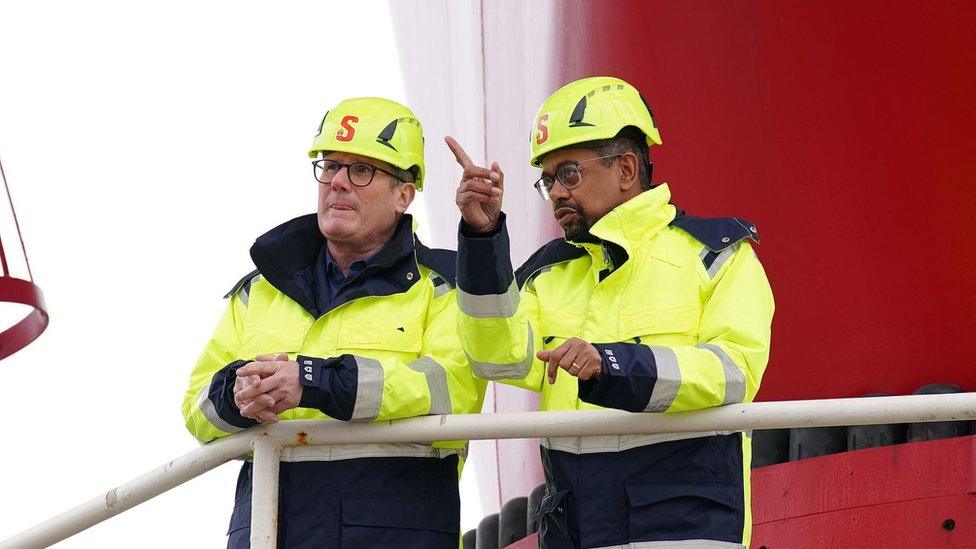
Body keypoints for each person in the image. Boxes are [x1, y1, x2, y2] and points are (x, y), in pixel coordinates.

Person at [449, 76, 774, 548]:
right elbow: (496, 357)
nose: (556, 192)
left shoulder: (717, 255)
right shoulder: (545, 273)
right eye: (546, 180)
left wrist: (613, 363)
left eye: (569, 173)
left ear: (625, 169)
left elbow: (734, 371)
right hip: (575, 530)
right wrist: (482, 241)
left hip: (684, 529)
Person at [182, 97, 486, 548]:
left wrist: (314, 381)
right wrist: (236, 395)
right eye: (330, 166)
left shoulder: (448, 284)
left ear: (404, 194)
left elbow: (451, 390)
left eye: (362, 170)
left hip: (393, 530)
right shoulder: (259, 289)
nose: (339, 182)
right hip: (266, 531)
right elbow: (196, 409)